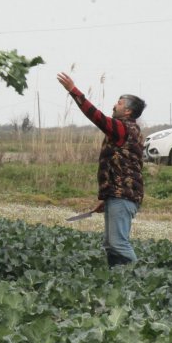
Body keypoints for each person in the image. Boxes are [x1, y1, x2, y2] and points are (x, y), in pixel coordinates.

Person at [57, 72, 146, 268]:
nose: (115, 105)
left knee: (118, 244)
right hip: (118, 196)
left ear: (128, 112)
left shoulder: (123, 128)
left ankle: (140, 278)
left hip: (123, 197)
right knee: (110, 244)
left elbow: (96, 116)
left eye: (120, 103)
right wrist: (108, 197)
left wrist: (74, 91)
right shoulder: (127, 130)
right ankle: (117, 281)